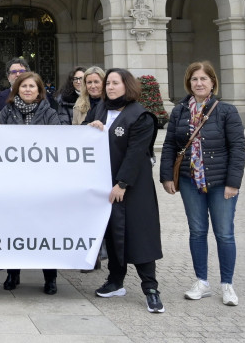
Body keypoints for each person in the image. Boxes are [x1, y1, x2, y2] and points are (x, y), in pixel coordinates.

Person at [160, 61, 245, 307]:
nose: (198, 83)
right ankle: (201, 282)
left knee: (224, 233)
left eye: (203, 79)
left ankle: (227, 284)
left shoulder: (226, 111)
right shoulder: (179, 111)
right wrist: (167, 176)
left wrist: (233, 182)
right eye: (194, 79)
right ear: (189, 83)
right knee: (197, 232)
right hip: (189, 180)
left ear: (212, 83)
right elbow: (169, 146)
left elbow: (238, 148)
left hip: (221, 182)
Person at [87, 68, 164, 313]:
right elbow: (85, 138)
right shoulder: (100, 109)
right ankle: (115, 281)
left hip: (132, 187)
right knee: (111, 232)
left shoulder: (140, 116)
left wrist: (122, 183)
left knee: (138, 234)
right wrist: (92, 128)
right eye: (107, 83)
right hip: (103, 183)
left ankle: (150, 288)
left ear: (127, 86)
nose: (109, 87)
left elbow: (135, 153)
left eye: (115, 83)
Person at [0, 72, 61, 294]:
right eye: (23, 87)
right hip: (13, 182)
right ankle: (13, 273)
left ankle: (50, 276)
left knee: (45, 230)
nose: (27, 90)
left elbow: (58, 142)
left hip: (42, 183)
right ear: (17, 90)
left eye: (32, 86)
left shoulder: (49, 113)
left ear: (39, 90)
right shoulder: (7, 112)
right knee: (14, 229)